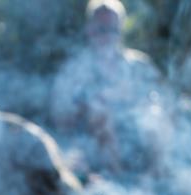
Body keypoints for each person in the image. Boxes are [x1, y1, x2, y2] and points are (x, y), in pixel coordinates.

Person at [51, 0, 170, 176]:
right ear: (89, 30)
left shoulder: (138, 65)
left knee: (156, 117)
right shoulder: (75, 69)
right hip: (90, 144)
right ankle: (116, 180)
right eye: (102, 29)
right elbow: (60, 116)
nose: (108, 36)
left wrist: (149, 106)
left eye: (113, 30)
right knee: (100, 114)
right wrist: (87, 108)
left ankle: (152, 179)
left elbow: (159, 98)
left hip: (135, 135)